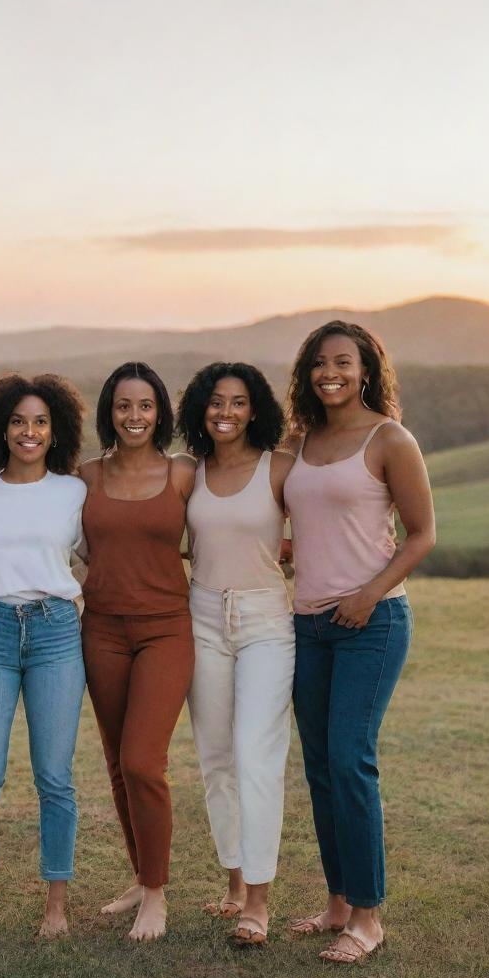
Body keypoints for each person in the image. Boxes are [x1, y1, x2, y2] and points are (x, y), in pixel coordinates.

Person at [284, 321, 435, 963]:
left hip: (371, 624)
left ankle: (368, 919)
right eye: (320, 363)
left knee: (350, 760)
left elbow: (423, 533)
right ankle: (338, 903)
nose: (330, 373)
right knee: (320, 768)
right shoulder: (301, 441)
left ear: (367, 368)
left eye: (343, 362)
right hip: (308, 625)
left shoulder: (389, 439)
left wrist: (370, 592)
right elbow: (307, 524)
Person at [0, 373, 87, 937]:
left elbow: (100, 557)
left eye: (39, 422)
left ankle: (55, 906)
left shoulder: (75, 491)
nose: (28, 431)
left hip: (57, 633)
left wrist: (79, 598)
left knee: (54, 776)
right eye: (17, 421)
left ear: (56, 431)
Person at [176, 361, 295, 947]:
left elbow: (328, 516)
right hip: (202, 617)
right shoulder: (188, 474)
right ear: (201, 409)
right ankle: (233, 880)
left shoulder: (280, 468)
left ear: (257, 410)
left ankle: (259, 900)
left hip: (266, 621)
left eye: (239, 402)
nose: (226, 412)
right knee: (216, 757)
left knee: (256, 755)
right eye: (215, 402)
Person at [78, 361, 196, 942]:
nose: (134, 417)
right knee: (119, 766)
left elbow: (220, 527)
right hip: (100, 631)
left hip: (165, 630)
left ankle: (156, 894)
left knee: (145, 761)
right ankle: (139, 875)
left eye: (145, 406)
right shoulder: (86, 476)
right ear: (110, 412)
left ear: (160, 413)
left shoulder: (182, 475)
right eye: (124, 406)